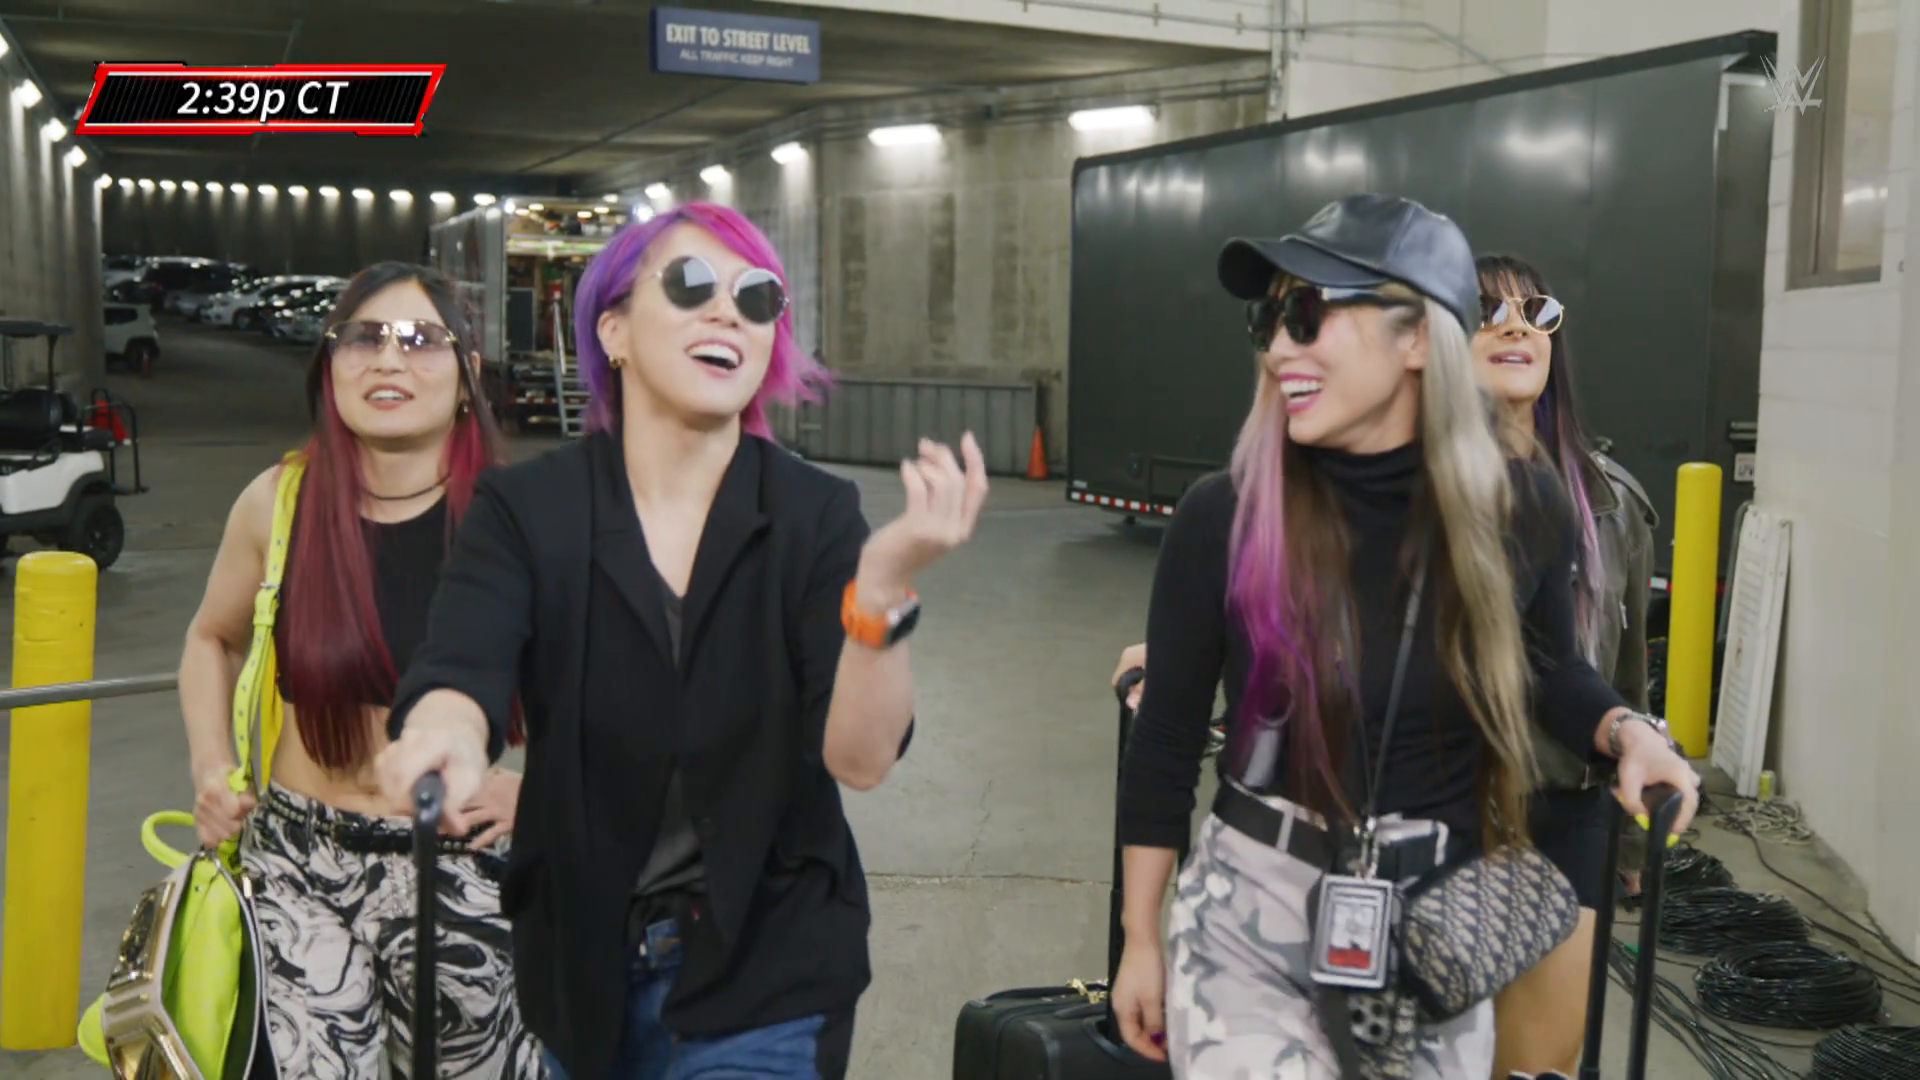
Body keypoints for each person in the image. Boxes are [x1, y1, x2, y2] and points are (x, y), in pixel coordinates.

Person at [369, 202, 989, 1080]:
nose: (728, 311)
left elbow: (859, 760)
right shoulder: (527, 510)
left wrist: (880, 594)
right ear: (613, 329)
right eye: (692, 284)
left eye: (758, 296)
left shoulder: (814, 516)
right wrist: (445, 735)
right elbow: (462, 661)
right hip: (580, 971)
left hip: (769, 968)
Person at [1103, 193, 1700, 1079]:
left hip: (1436, 919)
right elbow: (1165, 745)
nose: (1280, 349)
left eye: (1309, 314)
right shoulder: (1225, 515)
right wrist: (1141, 939)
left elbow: (1545, 669)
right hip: (1252, 912)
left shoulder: (1522, 507)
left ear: (1418, 337)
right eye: (1269, 322)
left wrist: (1627, 733)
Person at [180, 261, 544, 1077]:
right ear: (329, 365)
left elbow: (612, 686)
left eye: (420, 340)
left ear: (467, 374)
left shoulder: (522, 519)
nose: (388, 360)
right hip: (296, 866)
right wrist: (210, 767)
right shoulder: (278, 503)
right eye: (363, 338)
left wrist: (543, 792)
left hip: (462, 868)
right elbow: (212, 638)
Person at [1472, 253, 1661, 1078]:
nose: (1516, 326)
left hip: (1569, 808)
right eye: (1488, 310)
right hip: (1451, 803)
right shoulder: (1407, 489)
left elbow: (1622, 670)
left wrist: (1631, 842)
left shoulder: (1611, 503)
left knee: (1542, 1062)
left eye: (1537, 312)